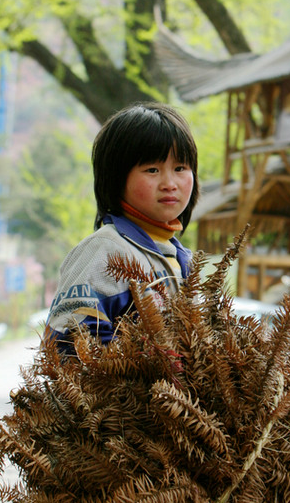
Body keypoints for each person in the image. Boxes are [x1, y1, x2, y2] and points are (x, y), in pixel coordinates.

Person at [44, 102, 199, 353]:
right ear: (116, 178)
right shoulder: (104, 251)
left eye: (180, 168)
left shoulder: (180, 259)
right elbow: (69, 345)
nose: (170, 183)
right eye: (152, 169)